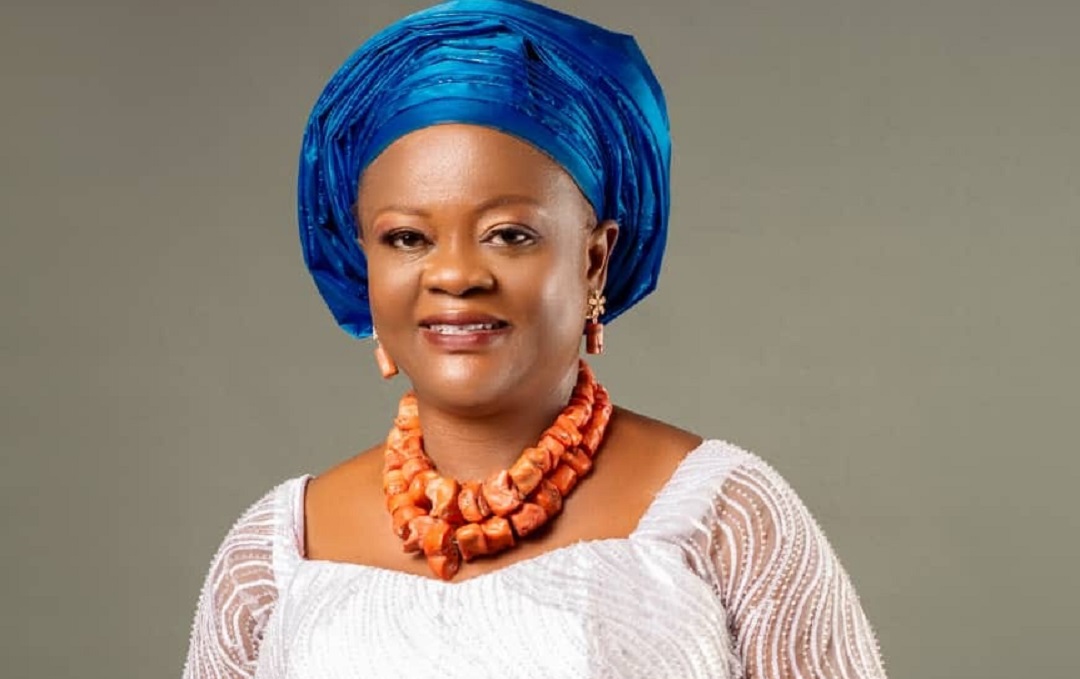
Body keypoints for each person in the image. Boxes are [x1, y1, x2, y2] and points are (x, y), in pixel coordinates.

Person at [181, 1, 886, 677]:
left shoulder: (724, 519)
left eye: (509, 234)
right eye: (408, 238)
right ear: (363, 264)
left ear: (594, 260)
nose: (455, 275)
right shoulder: (277, 554)